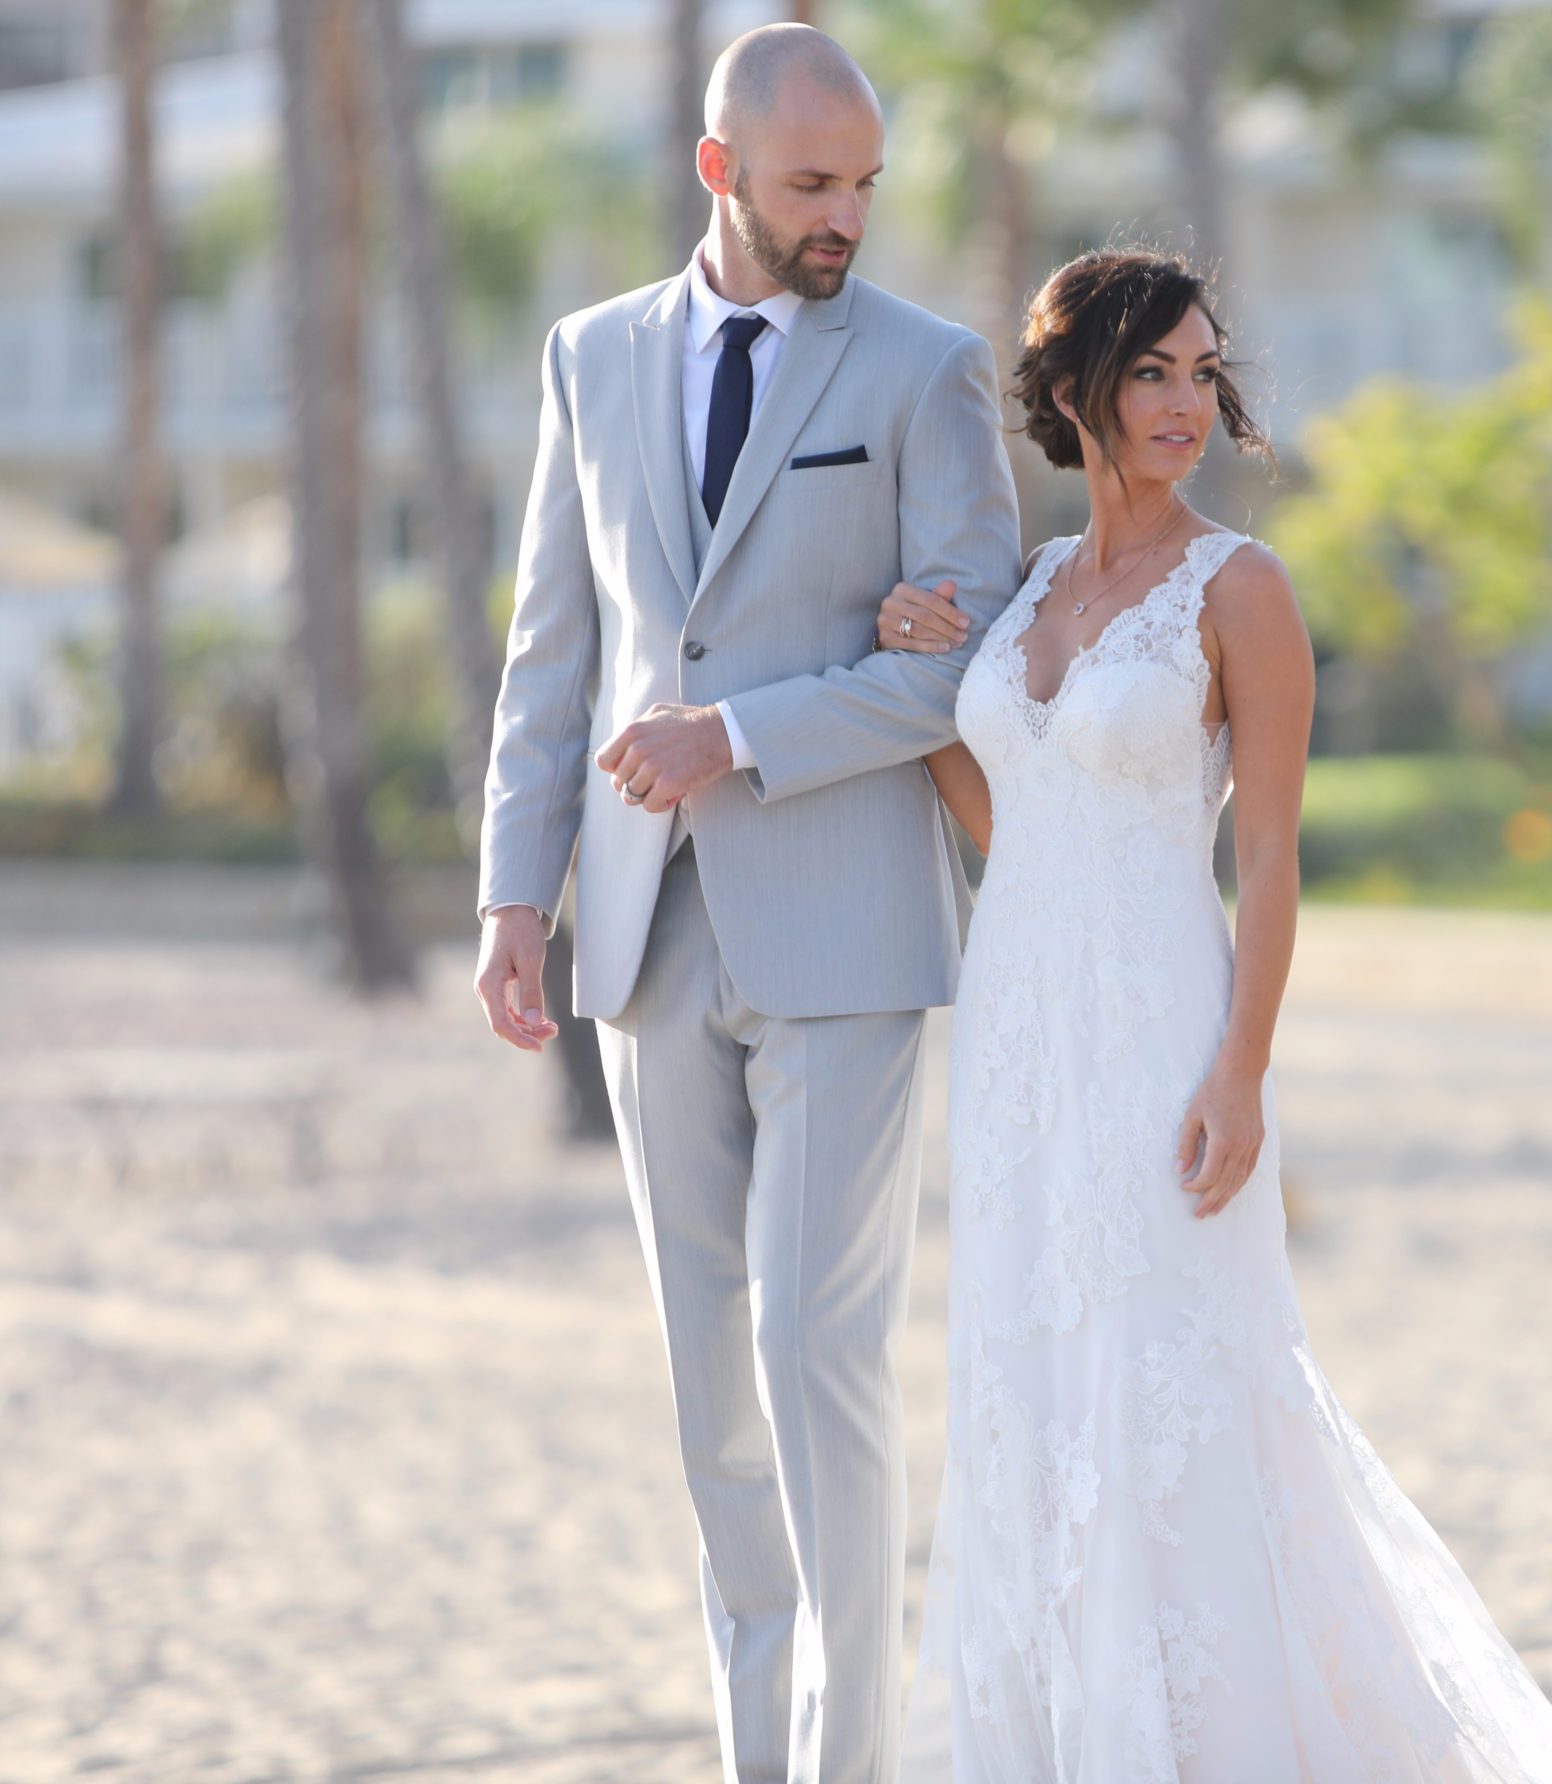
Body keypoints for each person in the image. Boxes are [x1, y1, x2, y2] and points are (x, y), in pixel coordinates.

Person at [873, 247, 1552, 1782]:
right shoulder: (1033, 586)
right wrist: (925, 688)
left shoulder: (1241, 589)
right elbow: (1010, 821)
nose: (1187, 403)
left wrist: (1241, 1072)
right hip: (1018, 1051)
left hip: (1168, 1037)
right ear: (1071, 395)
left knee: (1177, 1379)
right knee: (1035, 1382)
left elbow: (1268, 856)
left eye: (1201, 371)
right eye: (1151, 373)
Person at [470, 25, 1018, 1784]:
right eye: (810, 184)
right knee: (714, 1397)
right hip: (643, 931)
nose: (845, 213)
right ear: (721, 171)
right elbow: (556, 648)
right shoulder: (590, 356)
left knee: (816, 1354)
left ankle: (849, 1762)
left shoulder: (927, 371)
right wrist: (512, 899)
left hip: (851, 923)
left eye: (863, 181)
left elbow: (969, 664)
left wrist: (745, 735)